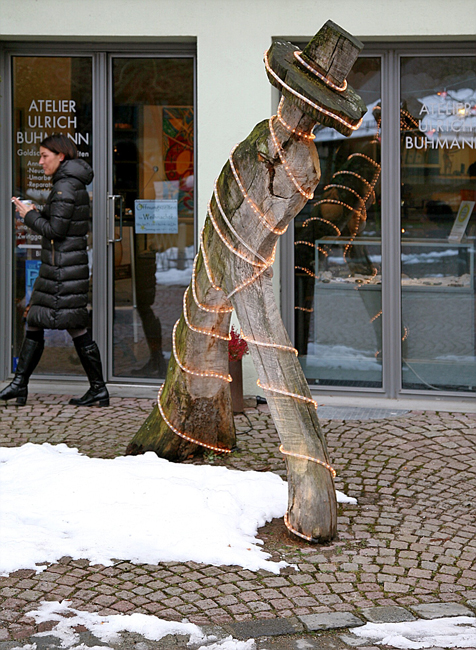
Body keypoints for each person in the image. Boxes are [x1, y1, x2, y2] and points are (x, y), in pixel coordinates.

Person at [0, 134, 109, 407]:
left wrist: (29, 216)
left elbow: (56, 231)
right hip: (62, 267)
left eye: (44, 156)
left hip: (63, 269)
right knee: (38, 321)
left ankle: (97, 389)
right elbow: (63, 221)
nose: (40, 162)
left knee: (72, 326)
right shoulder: (69, 183)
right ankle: (20, 384)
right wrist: (40, 210)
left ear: (61, 156)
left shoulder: (65, 186)